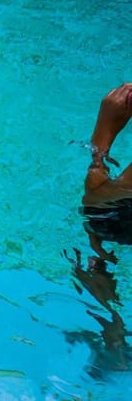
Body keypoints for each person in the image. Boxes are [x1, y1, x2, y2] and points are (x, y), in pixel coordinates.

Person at [65, 82, 132, 374]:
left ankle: (113, 330)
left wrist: (103, 133)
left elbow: (98, 206)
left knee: (93, 251)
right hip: (108, 218)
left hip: (105, 217)